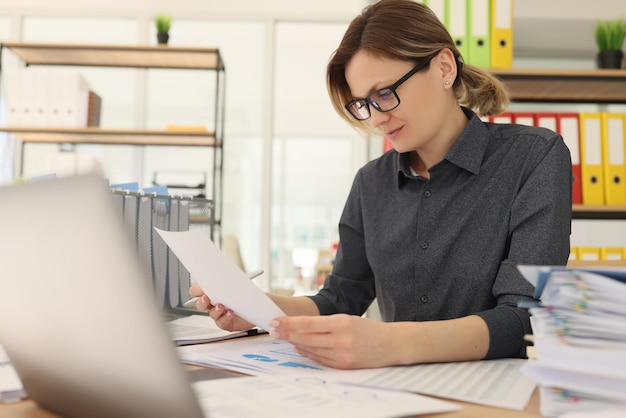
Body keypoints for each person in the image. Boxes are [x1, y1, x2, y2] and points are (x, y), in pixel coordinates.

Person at [190, 0, 572, 370]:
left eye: (385, 94)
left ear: (443, 68)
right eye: (364, 104)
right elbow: (341, 298)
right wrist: (255, 307)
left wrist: (390, 342)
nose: (376, 119)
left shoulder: (534, 157)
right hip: (393, 389)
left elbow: (523, 320)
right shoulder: (370, 182)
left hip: (494, 392)